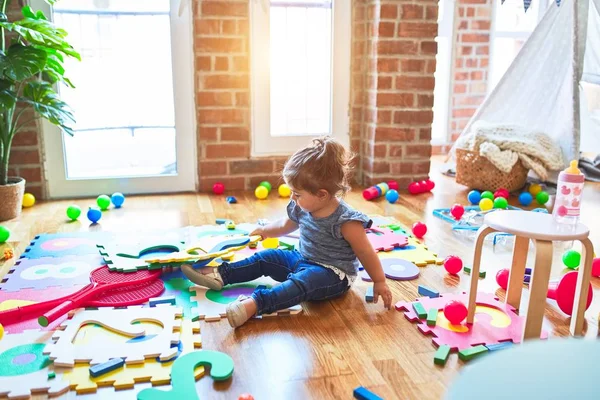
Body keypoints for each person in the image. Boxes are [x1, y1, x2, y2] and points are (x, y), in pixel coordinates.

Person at [182, 136, 393, 328]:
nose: (293, 198)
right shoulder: (302, 206)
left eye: (297, 194)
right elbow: (285, 225)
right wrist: (264, 231)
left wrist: (379, 281)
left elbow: (366, 252)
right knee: (266, 257)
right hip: (301, 259)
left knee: (302, 283)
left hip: (332, 275)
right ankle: (221, 275)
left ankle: (254, 305)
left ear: (321, 195)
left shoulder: (346, 221)